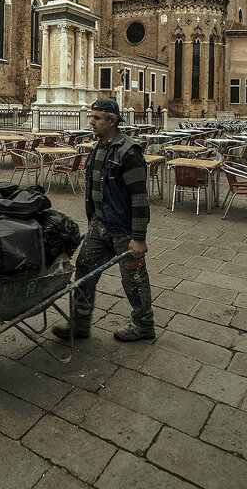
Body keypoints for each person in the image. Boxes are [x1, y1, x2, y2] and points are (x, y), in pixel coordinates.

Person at [53, 98, 155, 343]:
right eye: (92, 117)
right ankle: (80, 324)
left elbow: (139, 199)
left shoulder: (128, 152)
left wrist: (138, 238)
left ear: (112, 121)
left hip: (124, 231)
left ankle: (144, 326)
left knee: (134, 278)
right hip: (99, 225)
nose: (92, 122)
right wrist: (93, 221)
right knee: (84, 272)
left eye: (97, 118)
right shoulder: (98, 147)